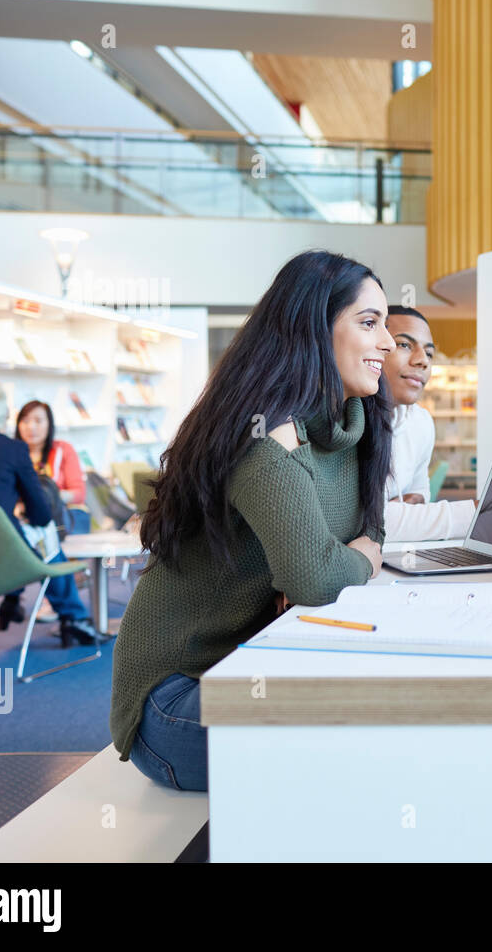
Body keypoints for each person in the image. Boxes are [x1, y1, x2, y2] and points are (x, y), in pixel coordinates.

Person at [110, 251, 394, 792]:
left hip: (257, 662)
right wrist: (354, 560)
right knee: (363, 741)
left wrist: (348, 557)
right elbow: (314, 578)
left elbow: (369, 527)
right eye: (368, 323)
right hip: (177, 697)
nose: (388, 342)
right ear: (312, 327)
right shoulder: (265, 434)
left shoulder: (356, 424)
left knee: (389, 707)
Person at [0, 381, 97, 646]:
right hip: (2, 562)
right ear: (6, 415)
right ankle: (74, 618)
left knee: (18, 532)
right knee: (45, 537)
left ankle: (13, 602)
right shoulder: (14, 450)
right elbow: (42, 515)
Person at [381, 304, 476, 542]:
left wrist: (412, 504)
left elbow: (420, 490)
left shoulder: (421, 422)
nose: (423, 361)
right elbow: (365, 522)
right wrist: (481, 512)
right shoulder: (348, 422)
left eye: (429, 353)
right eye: (404, 344)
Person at [15, 400, 90, 534]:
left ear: (49, 424)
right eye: (25, 421)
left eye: (38, 421)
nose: (31, 427)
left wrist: (49, 498)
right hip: (22, 523)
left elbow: (79, 493)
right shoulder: (11, 454)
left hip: (59, 524)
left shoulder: (63, 449)